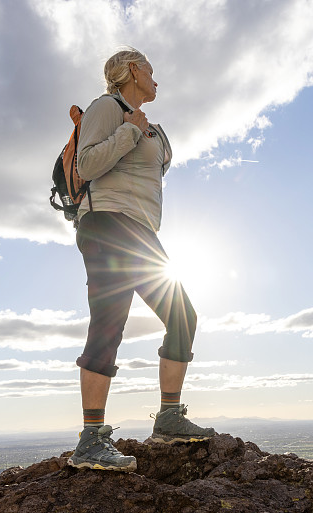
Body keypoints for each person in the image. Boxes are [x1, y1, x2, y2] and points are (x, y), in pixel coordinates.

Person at [66, 48, 215, 472]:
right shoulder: (106, 107)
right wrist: (130, 131)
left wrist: (147, 135)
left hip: (141, 231)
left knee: (183, 314)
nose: (156, 77)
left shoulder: (150, 126)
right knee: (109, 322)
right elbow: (87, 164)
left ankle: (168, 419)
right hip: (106, 222)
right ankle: (91, 440)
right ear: (132, 70)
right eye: (150, 69)